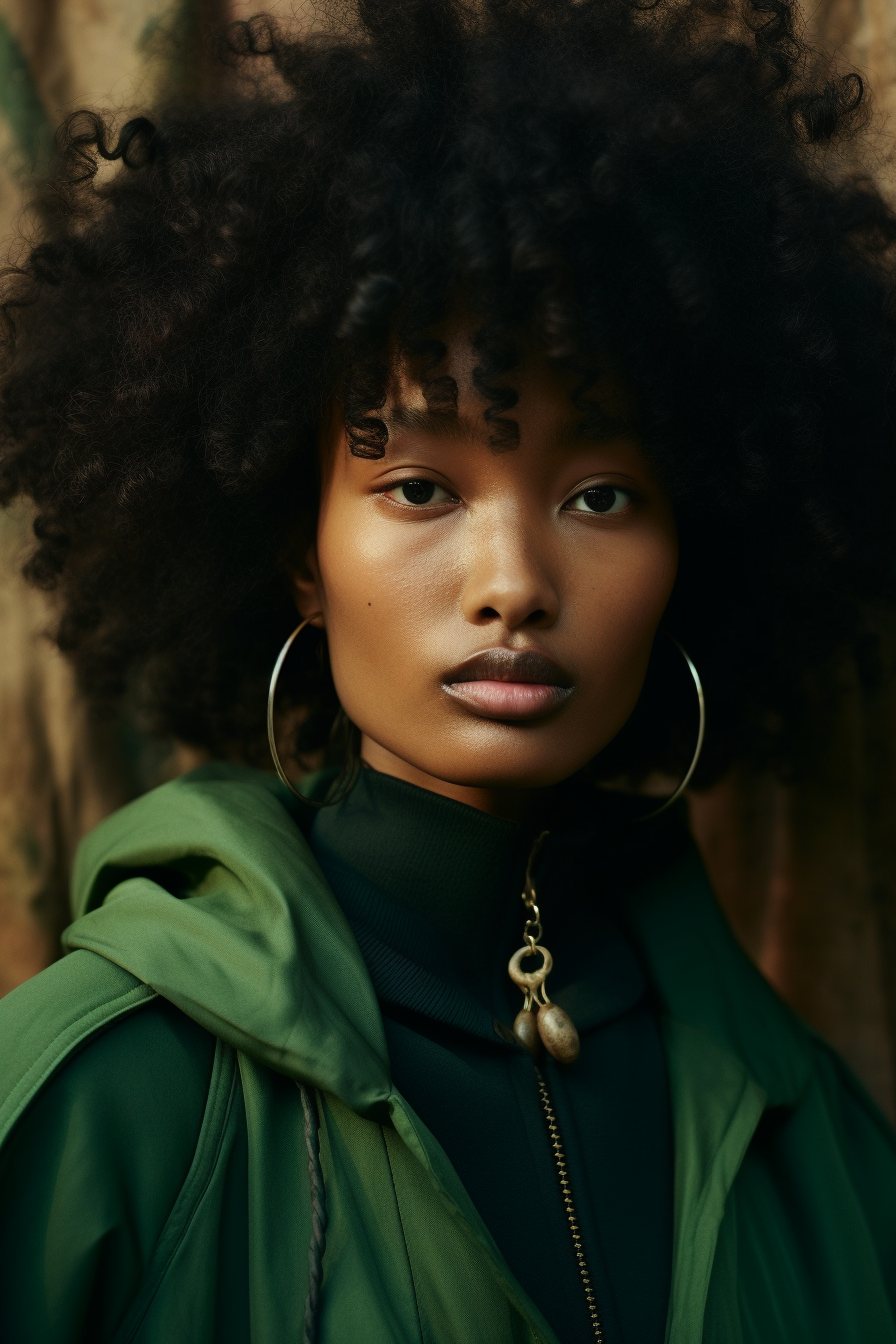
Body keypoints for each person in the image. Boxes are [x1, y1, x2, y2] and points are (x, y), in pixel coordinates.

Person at [1, 1, 895, 1340]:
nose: (514, 584)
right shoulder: (100, 1090)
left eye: (600, 497)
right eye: (419, 486)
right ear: (294, 551)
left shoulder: (815, 1133)